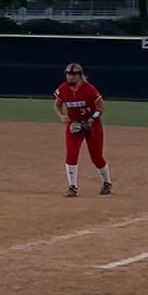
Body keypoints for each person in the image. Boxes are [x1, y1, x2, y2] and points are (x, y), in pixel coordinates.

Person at [53, 63, 112, 197]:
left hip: (92, 126)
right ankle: (72, 187)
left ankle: (107, 182)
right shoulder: (63, 89)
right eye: (68, 74)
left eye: (74, 74)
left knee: (96, 157)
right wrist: (61, 115)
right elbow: (57, 104)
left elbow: (101, 107)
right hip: (74, 126)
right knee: (71, 155)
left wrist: (92, 119)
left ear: (80, 76)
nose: (70, 77)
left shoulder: (89, 89)